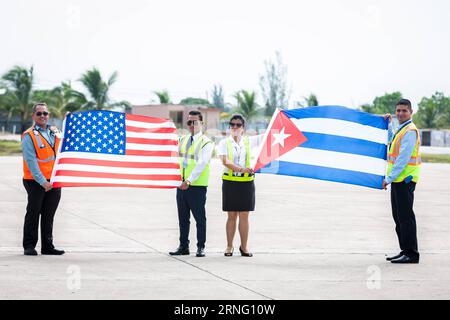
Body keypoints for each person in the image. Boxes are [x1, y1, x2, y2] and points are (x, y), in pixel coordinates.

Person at [21, 103, 65, 256]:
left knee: (48, 215)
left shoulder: (56, 132)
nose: (42, 116)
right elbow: (31, 162)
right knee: (33, 213)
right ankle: (29, 246)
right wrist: (43, 182)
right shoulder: (29, 135)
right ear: (33, 116)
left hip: (54, 180)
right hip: (35, 181)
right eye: (39, 113)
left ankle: (48, 246)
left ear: (49, 114)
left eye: (45, 113)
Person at [169, 110, 214, 257]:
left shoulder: (206, 143)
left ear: (202, 123)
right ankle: (183, 246)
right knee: (183, 219)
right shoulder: (182, 140)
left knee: (199, 218)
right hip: (181, 186)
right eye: (189, 122)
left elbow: (201, 164)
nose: (192, 125)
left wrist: (189, 180)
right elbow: (175, 160)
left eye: (195, 122)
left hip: (197, 186)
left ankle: (201, 247)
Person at [217, 114, 262, 257]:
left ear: (243, 127)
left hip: (246, 183)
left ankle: (244, 247)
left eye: (238, 125)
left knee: (244, 215)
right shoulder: (224, 143)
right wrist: (242, 169)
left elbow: (270, 137)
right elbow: (225, 162)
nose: (235, 127)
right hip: (230, 182)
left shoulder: (250, 141)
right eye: (232, 124)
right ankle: (229, 246)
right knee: (231, 215)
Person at [383, 99, 421, 264]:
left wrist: (388, 178)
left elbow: (403, 159)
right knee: (398, 218)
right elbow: (392, 143)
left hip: (405, 180)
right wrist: (389, 125)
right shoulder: (401, 129)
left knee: (405, 218)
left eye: (404, 111)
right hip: (398, 180)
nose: (400, 113)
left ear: (411, 112)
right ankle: (404, 250)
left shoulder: (410, 131)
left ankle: (411, 253)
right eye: (398, 110)